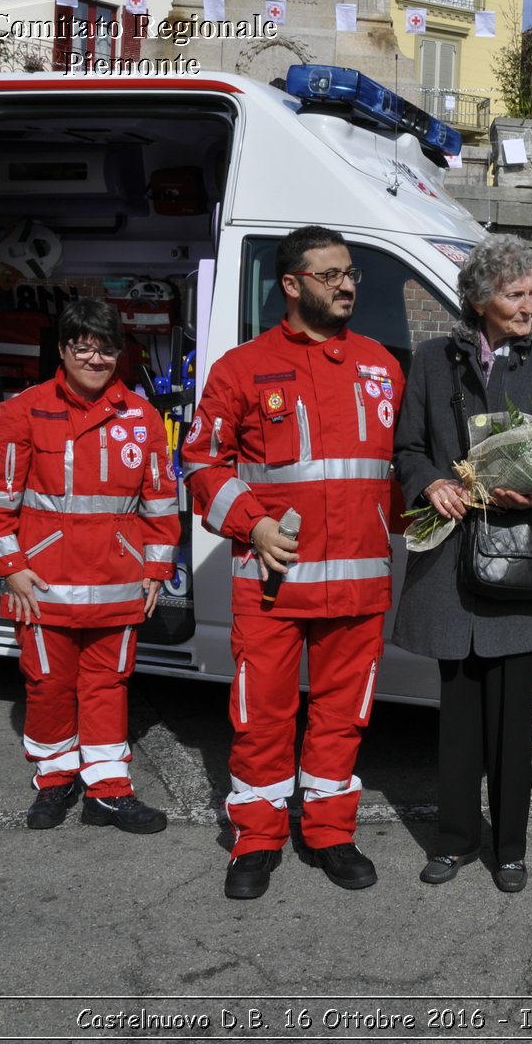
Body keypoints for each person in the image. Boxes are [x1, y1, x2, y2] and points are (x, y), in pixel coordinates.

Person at [182, 225, 404, 900]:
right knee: (263, 716)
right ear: (291, 283)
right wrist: (252, 520)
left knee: (343, 715)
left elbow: (399, 469)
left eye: (350, 274)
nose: (345, 285)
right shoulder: (241, 369)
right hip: (273, 586)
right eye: (330, 274)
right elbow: (199, 461)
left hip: (361, 583)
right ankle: (257, 836)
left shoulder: (382, 365)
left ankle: (332, 832)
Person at [393, 234, 532, 894]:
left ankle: (509, 849)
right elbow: (409, 448)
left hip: (523, 567)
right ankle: (453, 838)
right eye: (517, 294)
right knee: (458, 716)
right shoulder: (429, 360)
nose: (531, 303)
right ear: (480, 301)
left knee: (512, 721)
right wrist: (431, 484)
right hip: (453, 567)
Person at [0, 297, 177, 834]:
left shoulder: (141, 415)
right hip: (41, 584)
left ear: (120, 354)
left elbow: (160, 503)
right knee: (47, 685)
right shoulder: (22, 411)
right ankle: (55, 779)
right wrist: (11, 568)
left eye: (106, 348)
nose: (95, 358)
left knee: (109, 684)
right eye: (83, 347)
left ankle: (108, 791)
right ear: (63, 350)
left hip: (118, 582)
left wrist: (156, 570)